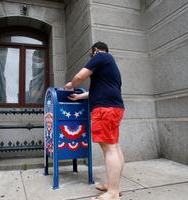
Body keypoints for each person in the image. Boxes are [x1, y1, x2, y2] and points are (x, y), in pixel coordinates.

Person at [64, 41, 124, 200]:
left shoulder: (101, 56)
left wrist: (71, 85)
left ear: (95, 50)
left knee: (109, 149)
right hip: (114, 109)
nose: (92, 56)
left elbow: (80, 76)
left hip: (104, 110)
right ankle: (114, 186)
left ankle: (112, 193)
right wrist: (78, 96)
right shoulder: (111, 65)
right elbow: (96, 91)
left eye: (92, 54)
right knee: (115, 148)